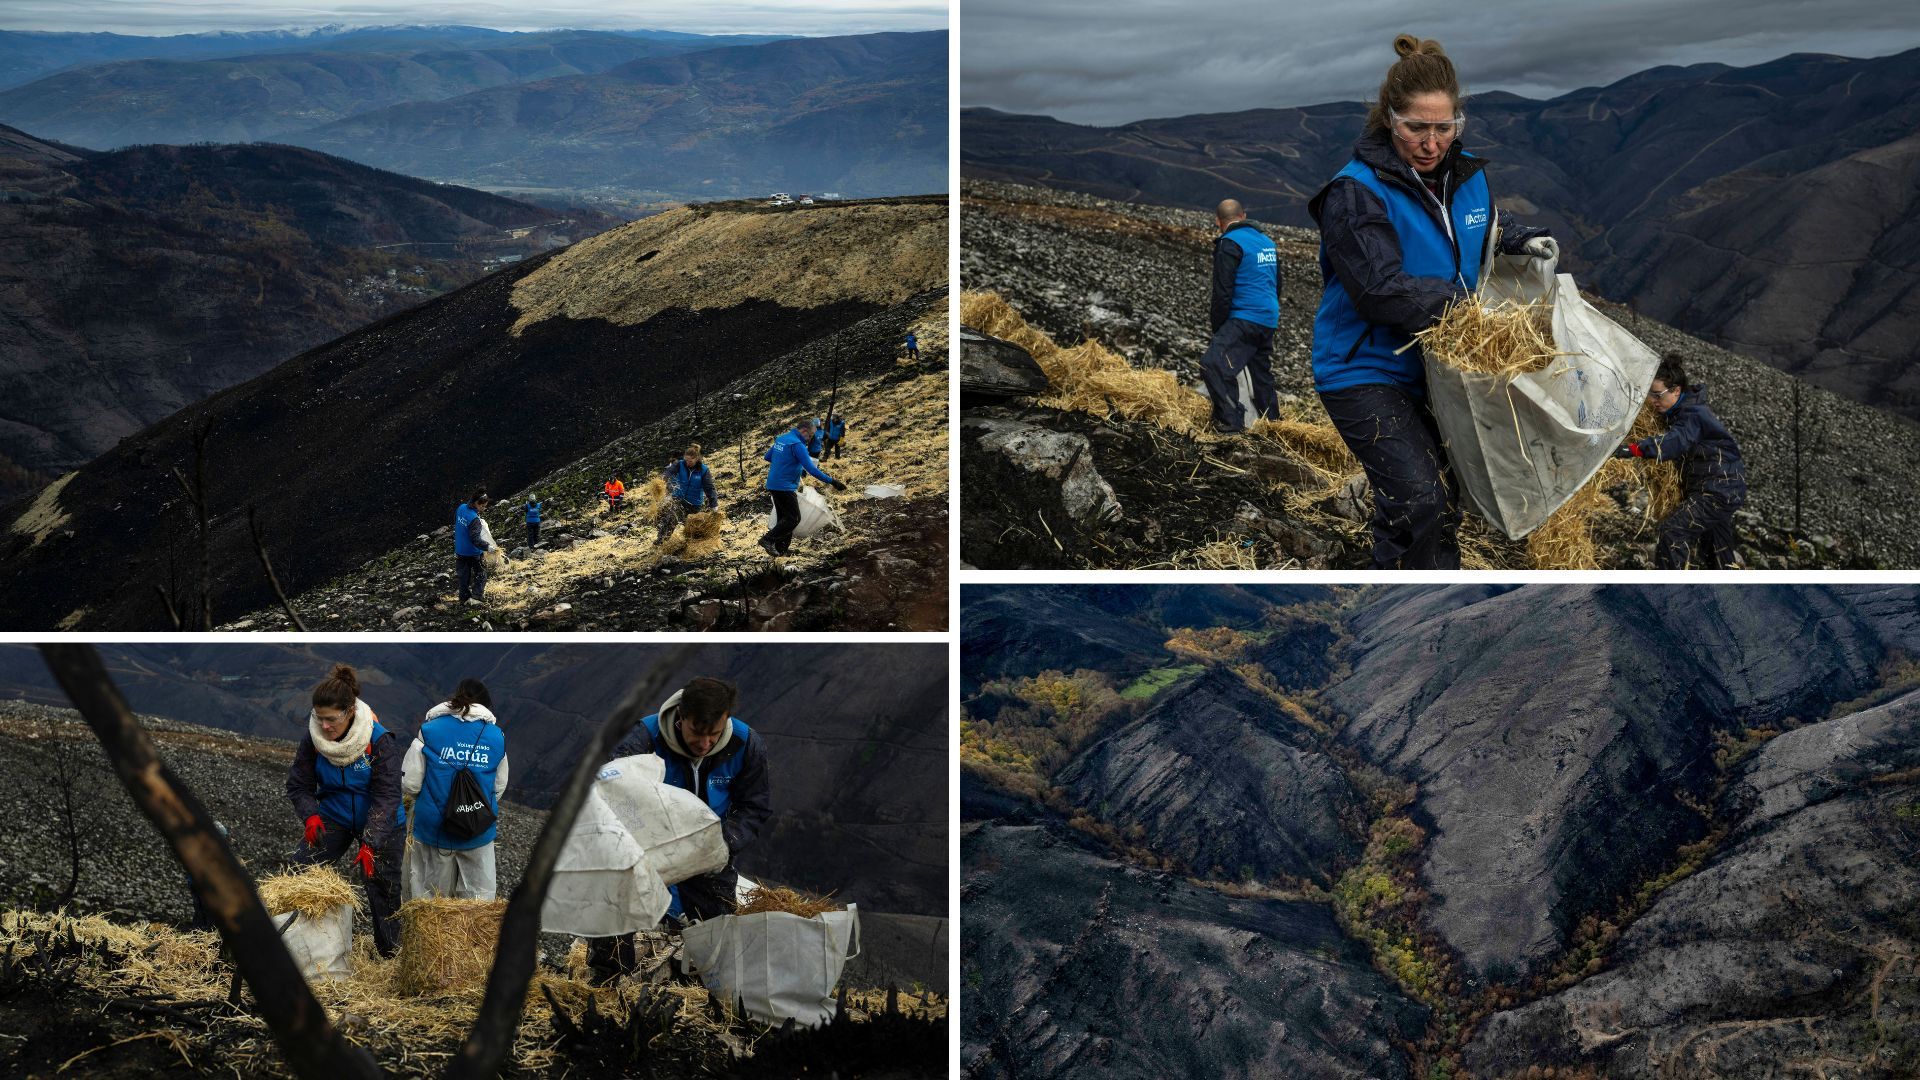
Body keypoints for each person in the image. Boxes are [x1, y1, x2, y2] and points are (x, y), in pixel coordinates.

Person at [1308, 34, 1557, 569]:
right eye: (1416, 128)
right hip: (1365, 369)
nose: (1431, 142)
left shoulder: (1468, 175)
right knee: (1422, 499)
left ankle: (1418, 581)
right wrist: (1468, 313)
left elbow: (1477, 227)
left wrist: (1515, 237)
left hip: (1438, 368)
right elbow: (1378, 289)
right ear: (1389, 120)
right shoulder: (1355, 193)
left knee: (1443, 498)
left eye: (1444, 128)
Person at [587, 677, 771, 983]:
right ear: (681, 717)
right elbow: (607, 792)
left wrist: (727, 841)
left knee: (716, 935)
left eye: (714, 734)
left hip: (710, 850)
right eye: (697, 732)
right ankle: (608, 982)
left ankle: (706, 988)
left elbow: (754, 806)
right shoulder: (643, 738)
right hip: (650, 848)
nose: (705, 743)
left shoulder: (745, 743)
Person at [285, 664, 405, 956]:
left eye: (331, 720)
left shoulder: (378, 740)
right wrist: (310, 816)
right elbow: (298, 784)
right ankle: (300, 949)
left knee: (382, 888)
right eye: (319, 718)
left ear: (350, 711)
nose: (325, 727)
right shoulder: (314, 739)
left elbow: (387, 796)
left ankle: (391, 955)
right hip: (334, 814)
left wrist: (371, 841)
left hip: (380, 820)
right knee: (298, 870)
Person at [1614, 355, 1747, 569]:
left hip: (1717, 489)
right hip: (1722, 489)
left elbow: (1676, 441)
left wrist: (1635, 449)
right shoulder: (1681, 412)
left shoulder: (1692, 414)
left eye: (1657, 395)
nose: (1653, 401)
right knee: (1716, 551)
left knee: (1673, 531)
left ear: (1676, 390)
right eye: (1650, 394)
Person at [401, 679, 508, 901]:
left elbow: (411, 783)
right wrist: (471, 806)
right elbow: (499, 786)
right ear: (486, 706)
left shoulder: (429, 730)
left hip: (434, 829)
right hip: (478, 829)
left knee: (431, 902)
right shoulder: (497, 737)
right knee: (477, 905)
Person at [1202, 198, 1282, 433]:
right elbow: (1277, 285)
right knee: (1260, 375)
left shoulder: (1229, 243)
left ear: (1218, 221)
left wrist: (1218, 328)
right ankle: (1275, 428)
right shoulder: (1267, 242)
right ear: (1243, 216)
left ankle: (1231, 425)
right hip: (1267, 318)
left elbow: (1222, 292)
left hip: (1244, 318)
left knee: (1213, 365)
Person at [758, 418, 846, 557]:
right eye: (810, 436)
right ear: (804, 431)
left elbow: (768, 456)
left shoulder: (783, 438)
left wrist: (787, 462)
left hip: (773, 484)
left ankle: (781, 551)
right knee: (794, 518)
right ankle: (767, 539)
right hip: (785, 486)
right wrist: (832, 481)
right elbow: (812, 469)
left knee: (784, 520)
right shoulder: (797, 444)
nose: (810, 439)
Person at [657, 443, 719, 543]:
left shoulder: (704, 470)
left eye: (690, 461)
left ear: (697, 459)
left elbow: (709, 488)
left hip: (694, 504)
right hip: (679, 499)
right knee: (670, 517)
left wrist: (714, 504)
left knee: (692, 528)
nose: (688, 463)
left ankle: (690, 546)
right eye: (686, 460)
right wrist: (661, 480)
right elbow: (668, 472)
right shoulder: (679, 464)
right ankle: (661, 541)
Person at [454, 492, 498, 604]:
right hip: (473, 552)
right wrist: (488, 547)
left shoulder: (461, 508)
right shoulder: (475, 519)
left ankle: (463, 598)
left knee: (463, 576)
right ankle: (476, 597)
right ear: (476, 503)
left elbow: (459, 523)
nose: (484, 508)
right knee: (481, 574)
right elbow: (476, 540)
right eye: (482, 506)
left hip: (460, 550)